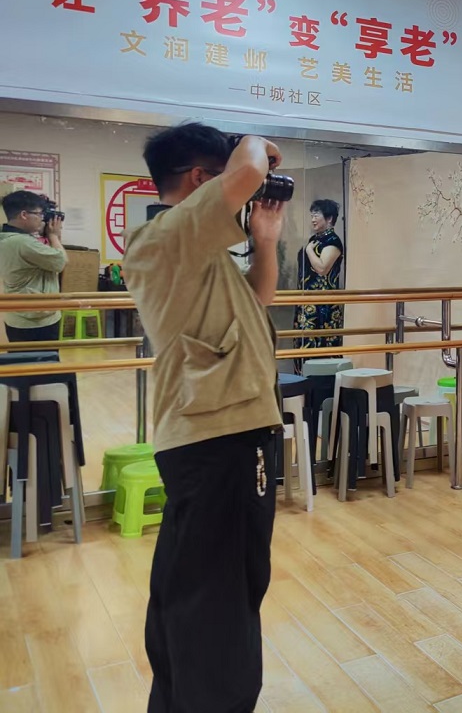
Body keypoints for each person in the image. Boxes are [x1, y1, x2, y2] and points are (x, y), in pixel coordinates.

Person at [122, 123, 286, 712]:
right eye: (222, 178)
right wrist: (254, 143)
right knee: (219, 604)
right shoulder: (167, 235)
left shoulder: (194, 249)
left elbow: (258, 298)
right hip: (223, 439)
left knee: (198, 591)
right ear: (199, 179)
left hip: (221, 437)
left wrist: (264, 240)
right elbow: (251, 166)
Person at [0, 190, 68, 342]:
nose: (42, 219)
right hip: (37, 320)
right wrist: (54, 236)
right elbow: (60, 261)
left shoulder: (6, 238)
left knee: (22, 356)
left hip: (17, 316)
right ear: (24, 215)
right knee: (43, 356)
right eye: (39, 214)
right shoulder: (22, 243)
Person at [294, 198, 345, 370]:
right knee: (303, 347)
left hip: (322, 305)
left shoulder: (333, 241)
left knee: (320, 349)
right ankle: (304, 384)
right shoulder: (315, 239)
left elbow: (322, 268)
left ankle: (319, 386)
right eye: (311, 215)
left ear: (329, 218)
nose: (313, 219)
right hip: (306, 302)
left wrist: (309, 250)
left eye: (316, 215)